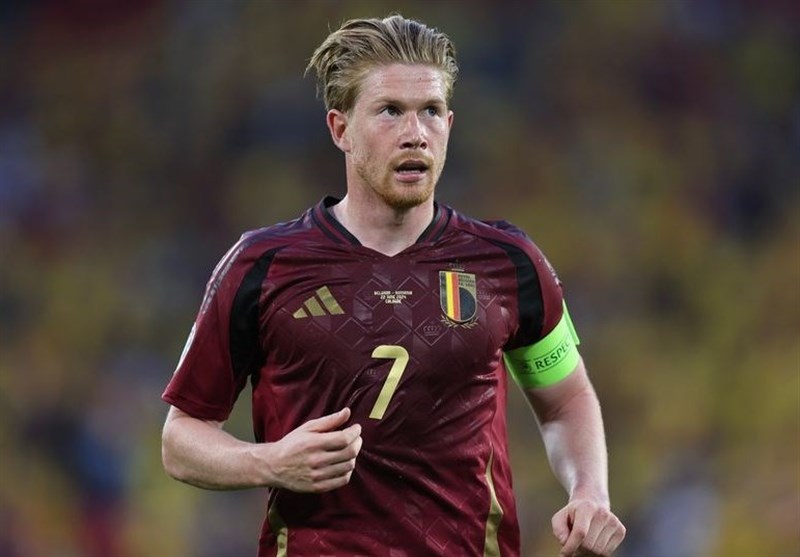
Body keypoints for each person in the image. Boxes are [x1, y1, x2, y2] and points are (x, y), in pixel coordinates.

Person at [161, 14, 626, 557]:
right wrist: (270, 462)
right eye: (389, 111)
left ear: (449, 123)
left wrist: (589, 491)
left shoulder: (508, 263)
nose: (415, 134)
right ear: (340, 130)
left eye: (430, 111)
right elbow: (180, 439)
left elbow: (566, 400)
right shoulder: (262, 266)